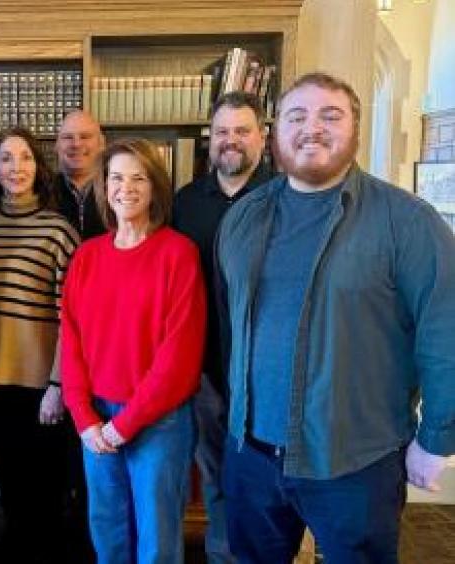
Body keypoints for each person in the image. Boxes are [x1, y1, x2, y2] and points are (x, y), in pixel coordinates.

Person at [216, 72, 455, 564]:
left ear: (356, 129)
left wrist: (437, 438)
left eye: (331, 115)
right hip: (252, 455)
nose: (312, 128)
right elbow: (233, 325)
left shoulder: (407, 221)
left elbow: (445, 331)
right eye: (296, 116)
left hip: (356, 462)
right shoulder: (243, 218)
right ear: (275, 131)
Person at [61, 138, 206, 564]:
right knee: (107, 533)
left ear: (155, 187)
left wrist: (124, 425)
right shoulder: (87, 257)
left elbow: (179, 358)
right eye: (117, 178)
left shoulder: (178, 254)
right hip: (96, 420)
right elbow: (70, 341)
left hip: (157, 422)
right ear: (105, 187)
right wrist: (85, 419)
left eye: (138, 178)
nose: (127, 187)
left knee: (157, 542)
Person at [0, 127, 80, 564]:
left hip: (39, 386)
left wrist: (58, 384)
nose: (16, 168)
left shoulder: (58, 230)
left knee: (42, 492)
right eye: (6, 159)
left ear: (38, 166)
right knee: (8, 489)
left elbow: (73, 315)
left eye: (25, 158)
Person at [171, 91, 274, 564]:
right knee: (215, 476)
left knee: (264, 481)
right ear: (209, 139)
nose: (230, 141)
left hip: (265, 375)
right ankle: (221, 554)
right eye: (222, 132)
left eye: (242, 131)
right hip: (207, 370)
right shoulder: (186, 202)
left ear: (263, 136)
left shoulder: (285, 198)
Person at [53, 110, 106, 240]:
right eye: (68, 137)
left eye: (85, 136)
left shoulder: (119, 189)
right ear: (57, 146)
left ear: (101, 144)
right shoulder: (41, 192)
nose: (76, 144)